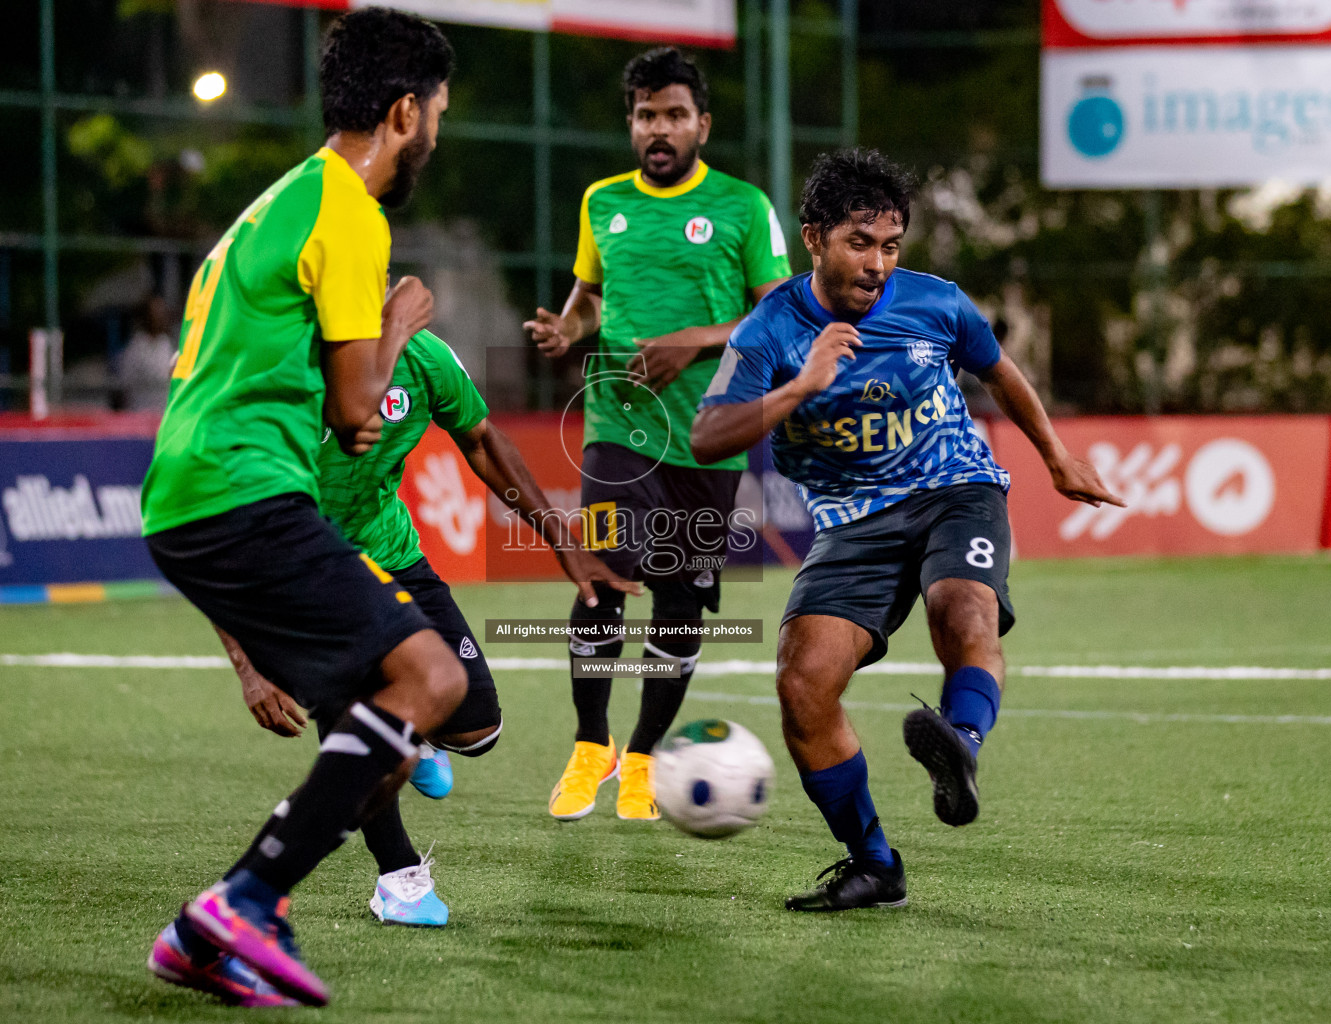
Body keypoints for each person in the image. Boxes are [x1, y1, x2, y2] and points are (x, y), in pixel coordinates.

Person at [691, 149, 1124, 912]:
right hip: (852, 524)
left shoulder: (937, 303)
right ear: (814, 238)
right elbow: (708, 436)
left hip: (957, 489)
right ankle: (874, 864)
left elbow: (999, 370)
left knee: (962, 609)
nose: (879, 264)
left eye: (891, 246)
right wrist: (801, 386)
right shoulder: (769, 330)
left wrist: (1055, 455)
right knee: (803, 685)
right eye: (861, 243)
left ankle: (959, 745)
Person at [139, 8, 456, 1006]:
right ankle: (244, 901)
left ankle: (234, 918)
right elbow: (361, 413)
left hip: (192, 493)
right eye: (437, 117)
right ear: (404, 113)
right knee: (431, 676)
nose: (436, 139)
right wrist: (402, 319)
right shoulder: (353, 214)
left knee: (386, 693)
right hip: (242, 488)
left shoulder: (284, 198)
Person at [221, 327, 638, 928]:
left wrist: (560, 539)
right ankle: (398, 877)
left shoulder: (425, 356)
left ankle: (408, 734)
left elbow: (482, 440)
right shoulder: (283, 366)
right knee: (353, 712)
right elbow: (222, 522)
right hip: (305, 570)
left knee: (480, 726)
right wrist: (249, 664)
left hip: (393, 554)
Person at [524, 47, 791, 822]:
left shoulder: (743, 206)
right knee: (601, 571)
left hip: (710, 435)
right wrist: (564, 329)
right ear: (632, 124)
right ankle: (588, 746)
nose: (660, 129)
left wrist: (693, 340)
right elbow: (587, 300)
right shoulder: (602, 200)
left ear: (702, 123)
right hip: (616, 425)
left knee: (678, 604)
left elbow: (779, 315)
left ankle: (642, 759)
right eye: (646, 116)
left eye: (675, 114)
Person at [117, 295, 177, 411]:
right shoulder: (135, 347)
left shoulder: (166, 344)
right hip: (140, 415)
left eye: (161, 313)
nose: (159, 317)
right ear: (146, 316)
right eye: (155, 313)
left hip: (162, 414)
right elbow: (123, 385)